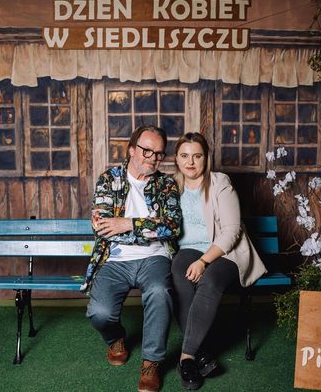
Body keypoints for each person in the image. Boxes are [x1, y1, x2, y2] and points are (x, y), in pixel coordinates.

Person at [81, 125, 182, 392]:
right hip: (115, 259)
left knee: (159, 292)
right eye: (147, 150)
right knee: (100, 313)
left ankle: (151, 363)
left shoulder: (167, 184)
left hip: (155, 257)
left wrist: (126, 224)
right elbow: (102, 227)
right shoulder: (109, 179)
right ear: (131, 150)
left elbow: (172, 227)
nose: (153, 157)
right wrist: (150, 227)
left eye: (159, 153)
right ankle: (115, 338)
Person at [171, 132, 267, 390]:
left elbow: (231, 231)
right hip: (187, 250)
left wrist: (204, 262)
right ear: (176, 159)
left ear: (206, 158)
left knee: (211, 280)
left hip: (225, 251)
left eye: (197, 156)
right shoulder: (171, 185)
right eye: (184, 156)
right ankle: (202, 353)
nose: (190, 162)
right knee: (180, 272)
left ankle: (187, 357)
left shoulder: (219, 182)